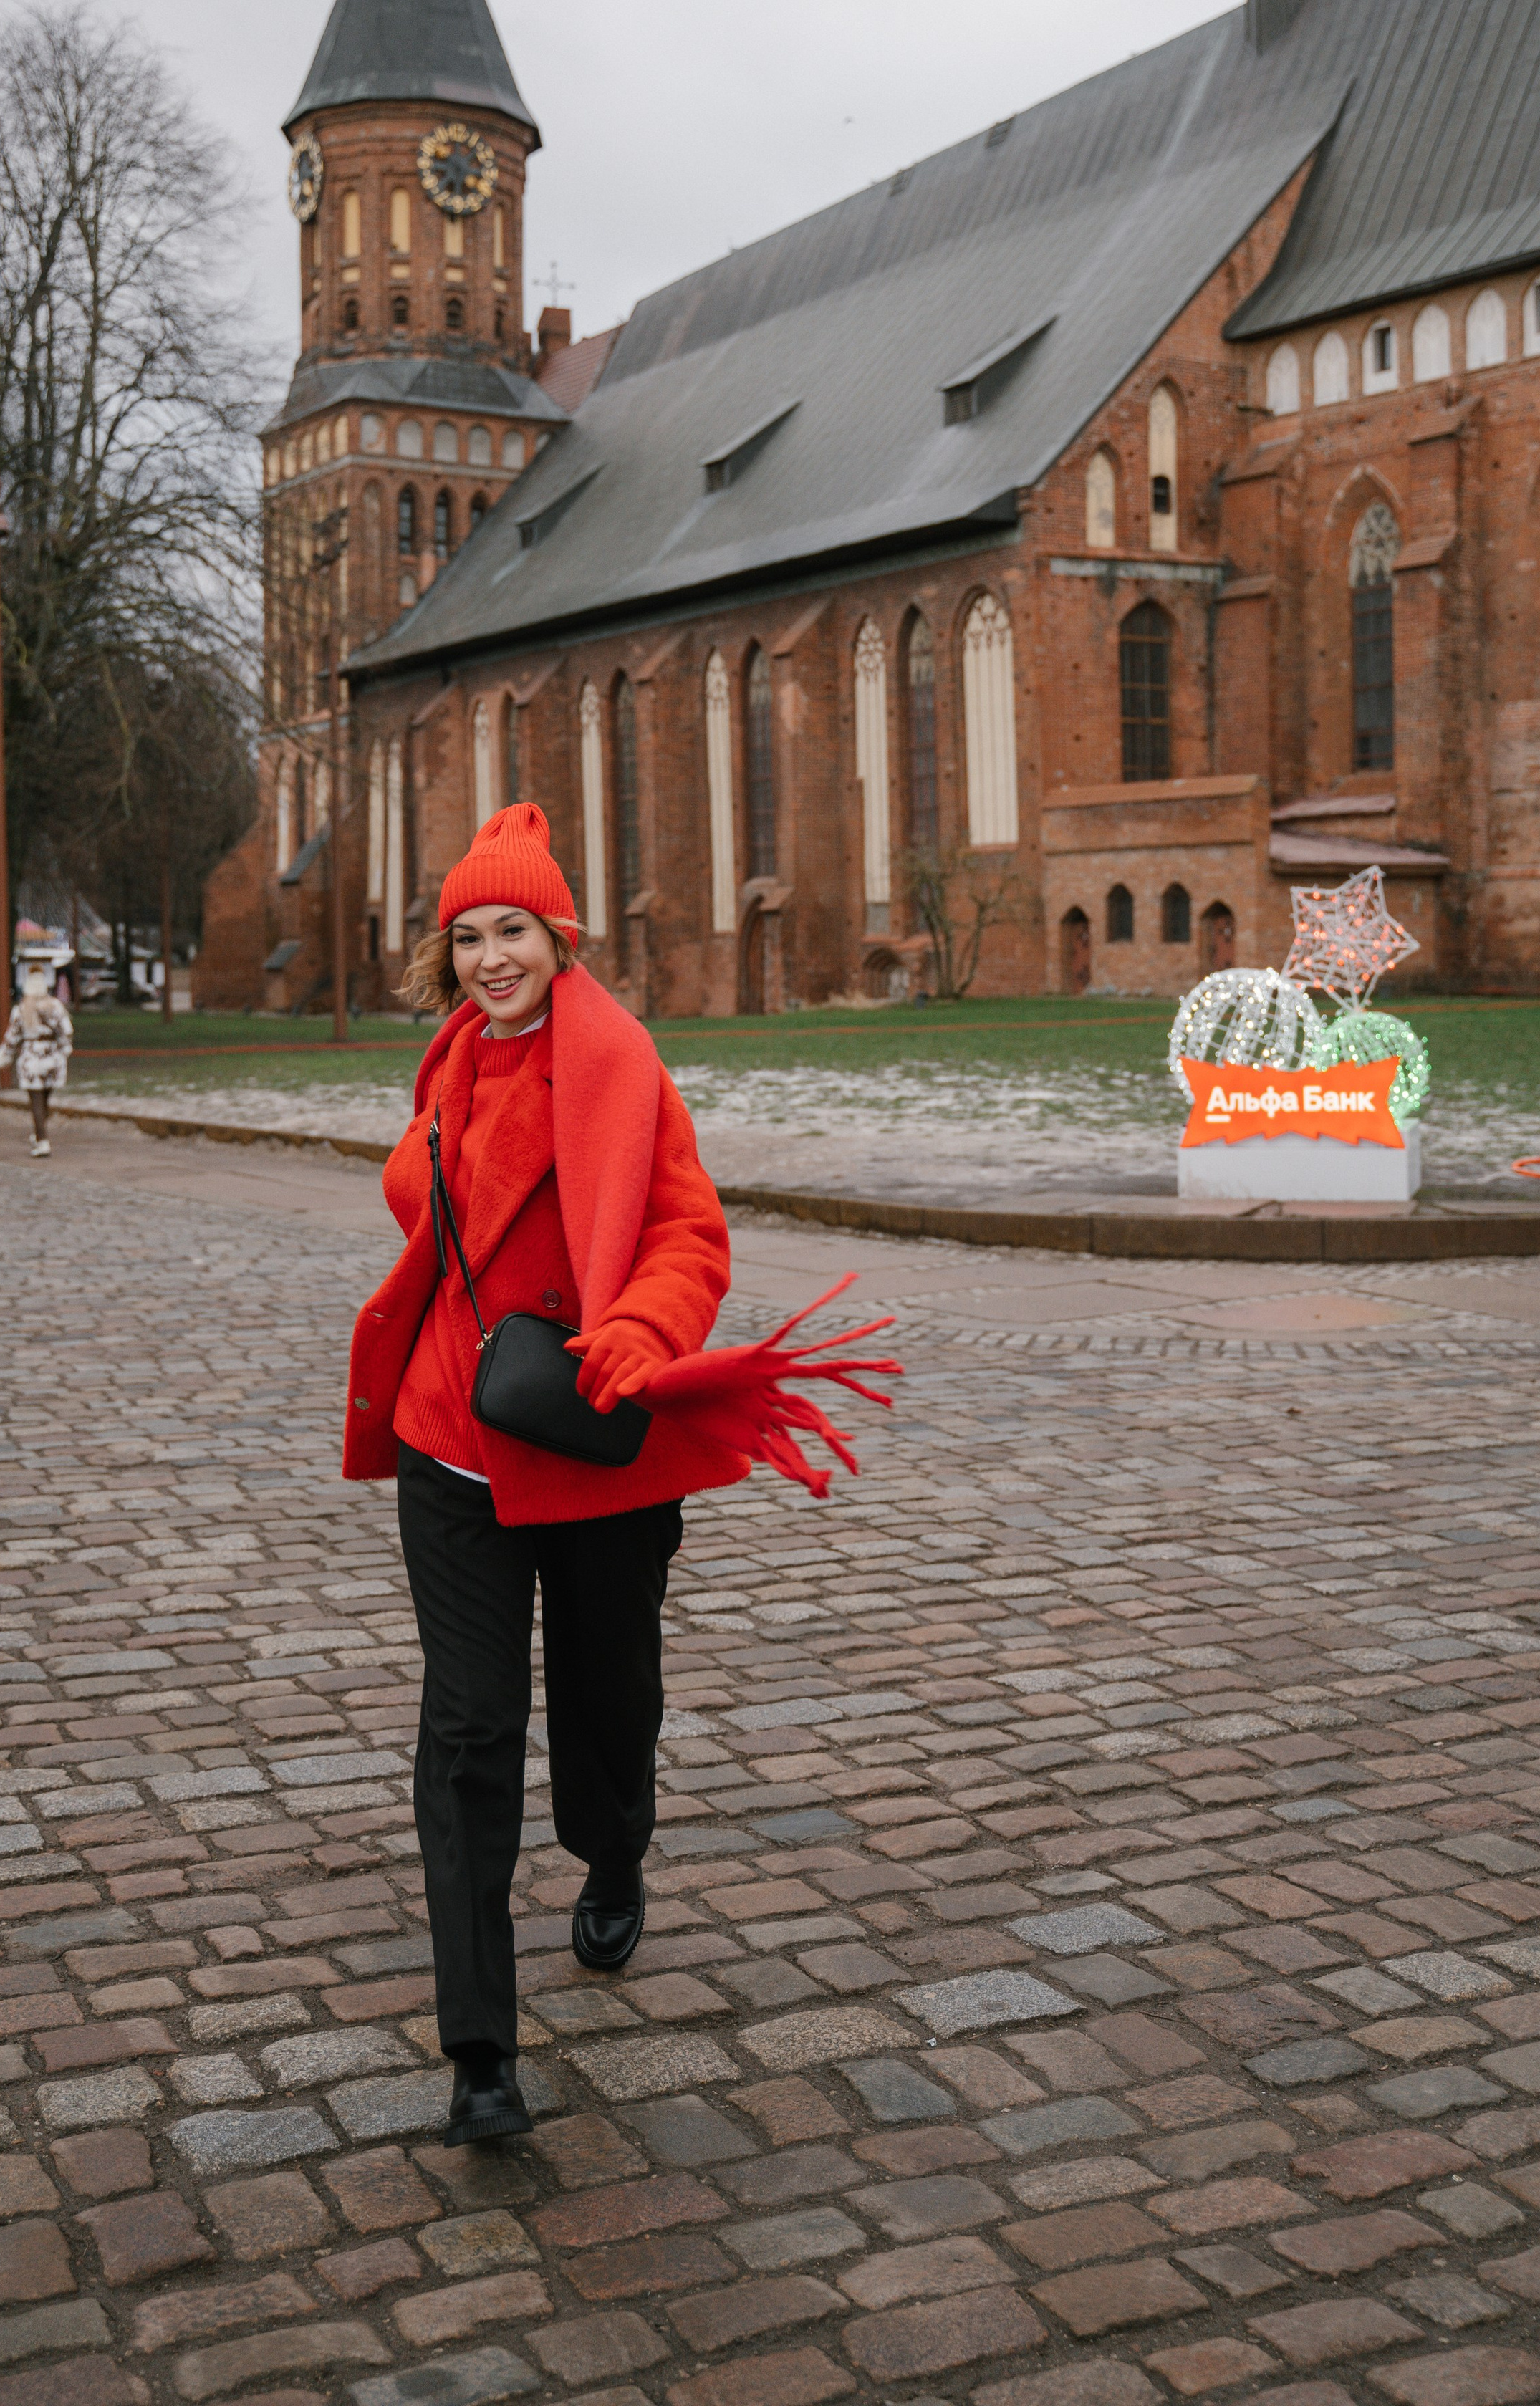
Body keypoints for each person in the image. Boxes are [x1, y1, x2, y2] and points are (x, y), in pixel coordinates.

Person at [344, 804, 896, 2147]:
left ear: (559, 936)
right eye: (466, 936)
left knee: (609, 1693)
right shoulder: (450, 1061)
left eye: (512, 932)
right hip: (453, 1443)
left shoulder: (618, 1062)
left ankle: (615, 1846)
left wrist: (642, 1332)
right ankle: (479, 2050)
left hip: (588, 1438)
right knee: (468, 1735)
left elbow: (686, 1231)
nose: (488, 959)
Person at [0, 963, 73, 1156]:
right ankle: (39, 1135)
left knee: (36, 1101)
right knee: (44, 1099)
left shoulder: (22, 1009)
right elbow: (67, 1031)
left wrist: (5, 1055)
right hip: (53, 1058)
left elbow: (12, 1037)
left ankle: (42, 1140)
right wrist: (64, 1048)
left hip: (31, 1058)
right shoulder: (56, 1006)